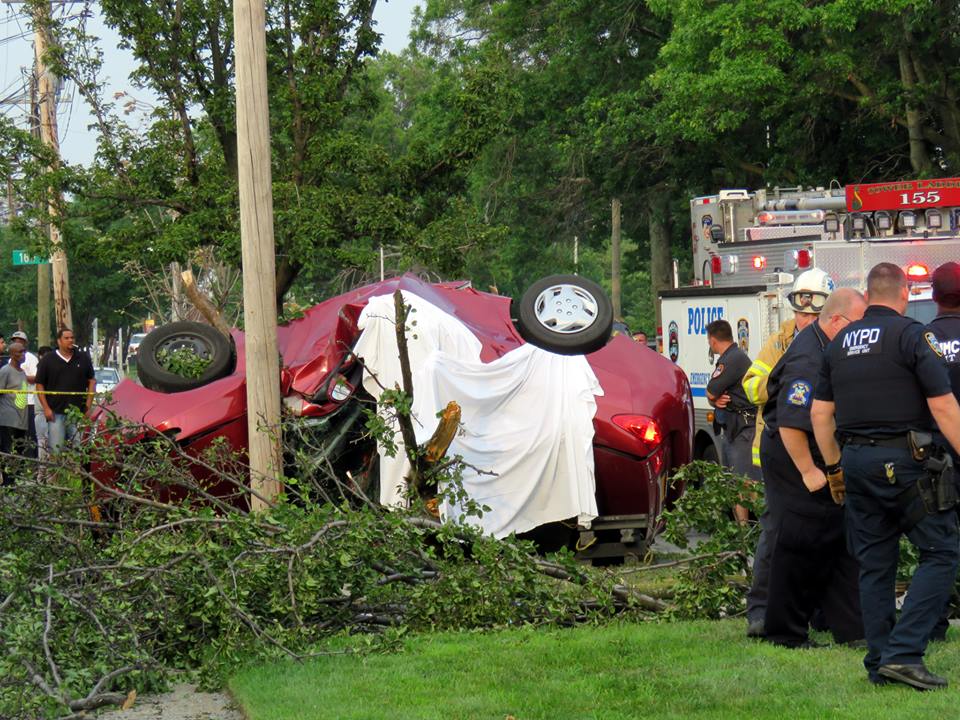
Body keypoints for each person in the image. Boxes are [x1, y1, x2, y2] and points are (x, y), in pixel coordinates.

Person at [811, 262, 960, 690]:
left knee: (875, 564)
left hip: (856, 463)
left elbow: (820, 414)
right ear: (903, 293)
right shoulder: (913, 336)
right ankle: (904, 653)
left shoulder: (837, 345)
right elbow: (944, 407)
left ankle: (879, 660)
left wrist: (836, 467)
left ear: (868, 293)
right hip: (908, 464)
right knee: (941, 552)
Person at [761, 288, 867, 648]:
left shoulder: (829, 345)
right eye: (858, 324)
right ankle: (784, 632)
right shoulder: (808, 358)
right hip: (794, 454)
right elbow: (792, 421)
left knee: (837, 536)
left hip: (818, 450)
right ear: (837, 320)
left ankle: (853, 628)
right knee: (801, 539)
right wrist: (809, 471)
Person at [742, 267, 834, 637]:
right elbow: (751, 385)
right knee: (776, 530)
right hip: (781, 449)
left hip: (820, 450)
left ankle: (816, 610)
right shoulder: (780, 342)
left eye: (812, 313)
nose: (805, 319)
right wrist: (780, 379)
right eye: (800, 311)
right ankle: (761, 611)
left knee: (820, 532)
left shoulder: (833, 340)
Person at [926, 262, 960, 642]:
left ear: (934, 296)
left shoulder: (922, 341)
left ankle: (935, 620)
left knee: (937, 545)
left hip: (935, 459)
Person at [705, 319, 760, 523]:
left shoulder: (732, 359)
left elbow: (711, 390)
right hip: (733, 428)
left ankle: (748, 531)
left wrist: (714, 398)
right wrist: (716, 401)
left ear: (712, 340)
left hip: (743, 430)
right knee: (736, 482)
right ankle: (742, 532)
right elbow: (713, 397)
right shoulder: (732, 357)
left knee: (744, 483)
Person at [35, 329, 95, 453]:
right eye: (66, 338)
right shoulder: (48, 359)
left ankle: (77, 472)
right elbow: (39, 384)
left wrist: (88, 406)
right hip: (56, 412)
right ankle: (57, 472)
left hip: (78, 412)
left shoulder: (83, 358)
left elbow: (92, 381)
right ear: (59, 341)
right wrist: (46, 408)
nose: (70, 340)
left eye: (72, 338)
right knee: (56, 450)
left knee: (77, 449)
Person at [0, 341, 30, 484]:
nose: (23, 354)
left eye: (24, 351)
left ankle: (15, 482)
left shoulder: (22, 372)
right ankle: (7, 482)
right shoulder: (5, 371)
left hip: (21, 419)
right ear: (12, 354)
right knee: (8, 451)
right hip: (7, 419)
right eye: (20, 352)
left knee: (19, 451)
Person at [11, 331, 39, 458]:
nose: (17, 342)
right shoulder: (11, 359)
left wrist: (21, 376)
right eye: (15, 340)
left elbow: (37, 377)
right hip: (14, 403)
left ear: (25, 343)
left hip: (29, 402)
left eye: (20, 340)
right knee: (17, 435)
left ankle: (31, 463)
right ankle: (18, 464)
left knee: (30, 435)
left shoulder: (31, 358)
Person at [34, 346, 52, 461]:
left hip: (52, 413)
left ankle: (48, 476)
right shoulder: (39, 371)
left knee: (51, 444)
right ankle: (42, 475)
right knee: (42, 444)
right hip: (41, 413)